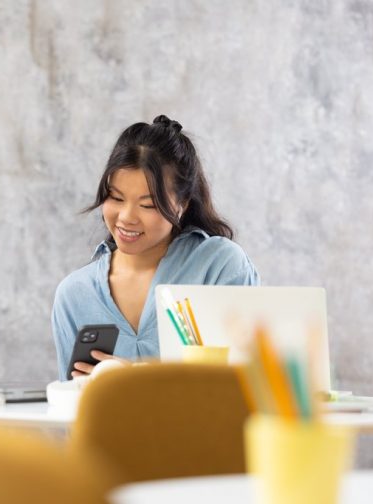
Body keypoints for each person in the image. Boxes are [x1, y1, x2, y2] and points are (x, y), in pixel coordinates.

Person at [51, 115, 259, 380]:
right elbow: (72, 408)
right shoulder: (75, 294)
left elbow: (244, 387)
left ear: (182, 204)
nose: (126, 217)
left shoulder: (219, 266)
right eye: (115, 197)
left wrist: (139, 381)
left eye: (148, 204)